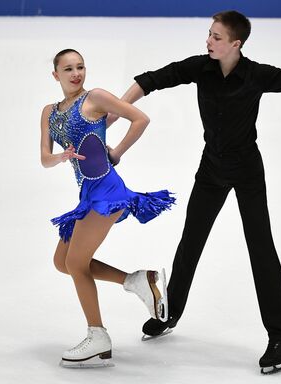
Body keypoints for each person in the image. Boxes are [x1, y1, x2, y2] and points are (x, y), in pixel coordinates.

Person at [111, 10, 281, 374]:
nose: (208, 41)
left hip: (246, 171)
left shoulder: (256, 74)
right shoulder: (201, 67)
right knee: (191, 239)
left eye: (216, 36)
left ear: (235, 44)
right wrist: (116, 112)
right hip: (211, 168)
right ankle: (171, 313)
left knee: (261, 249)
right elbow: (150, 80)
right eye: (209, 34)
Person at [40, 49, 175, 368]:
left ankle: (97, 337)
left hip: (107, 191)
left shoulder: (95, 97)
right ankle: (139, 281)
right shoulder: (49, 112)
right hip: (87, 195)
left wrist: (118, 152)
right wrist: (60, 157)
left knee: (75, 261)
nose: (76, 73)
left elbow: (140, 119)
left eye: (81, 67)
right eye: (68, 69)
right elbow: (44, 157)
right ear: (56, 74)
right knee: (63, 262)